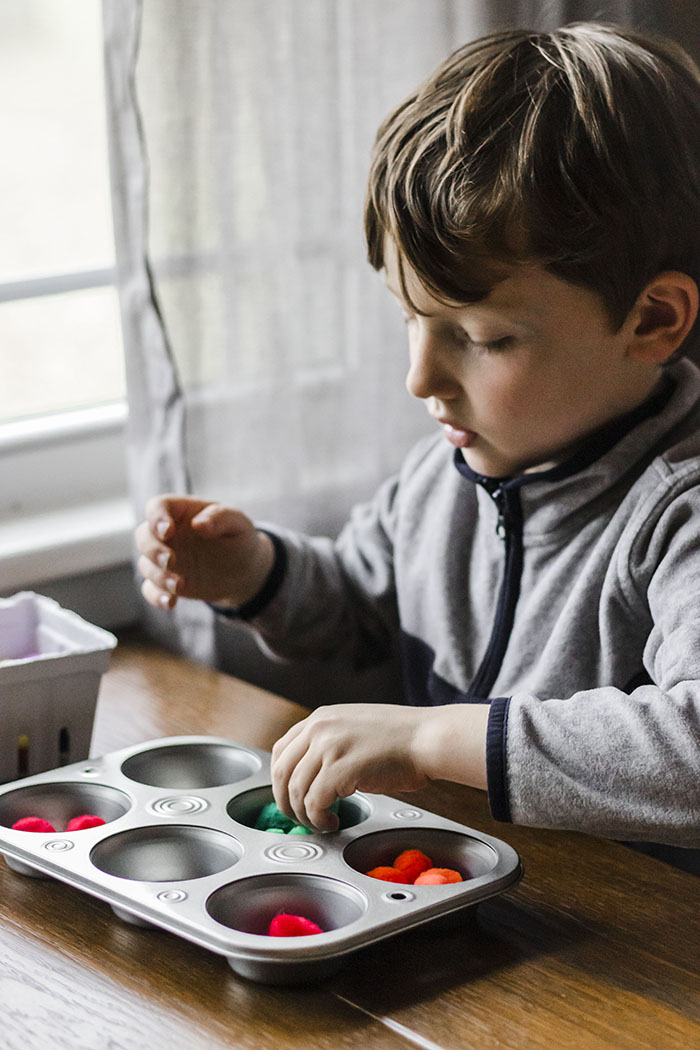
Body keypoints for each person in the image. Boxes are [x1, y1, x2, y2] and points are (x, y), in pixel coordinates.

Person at [135, 23, 700, 871]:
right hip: (479, 902)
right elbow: (365, 604)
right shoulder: (455, 466)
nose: (421, 378)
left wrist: (434, 737)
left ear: (651, 320)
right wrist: (254, 573)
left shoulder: (678, 510)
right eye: (411, 318)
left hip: (634, 956)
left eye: (482, 338)